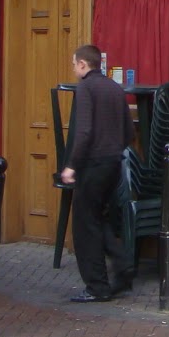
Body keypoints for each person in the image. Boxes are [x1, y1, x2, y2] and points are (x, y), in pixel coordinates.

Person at [60, 44, 135, 302]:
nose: (73, 69)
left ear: (83, 64)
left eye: (74, 64)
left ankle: (97, 287)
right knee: (98, 218)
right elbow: (129, 131)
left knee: (85, 226)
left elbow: (83, 132)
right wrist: (114, 150)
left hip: (92, 164)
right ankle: (124, 265)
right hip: (113, 163)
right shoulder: (115, 88)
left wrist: (72, 165)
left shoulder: (86, 88)